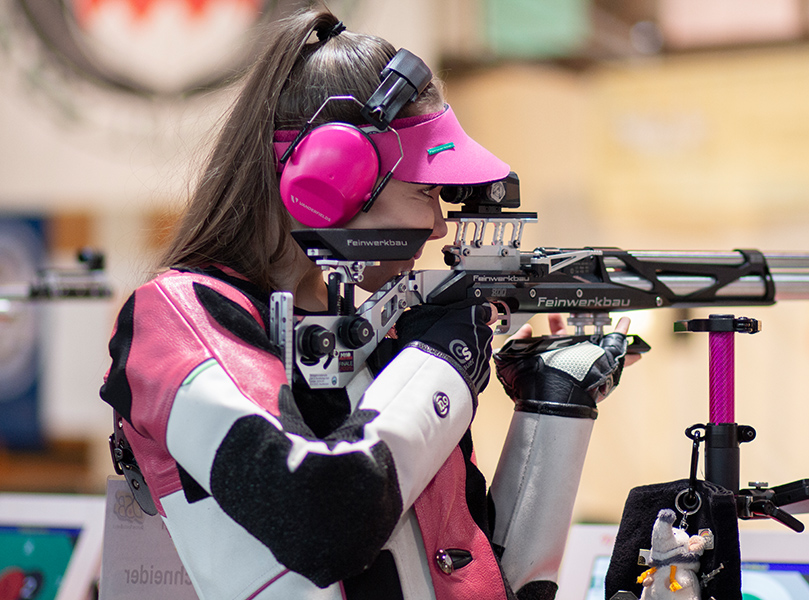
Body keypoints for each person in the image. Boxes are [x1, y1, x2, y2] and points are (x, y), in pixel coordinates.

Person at [100, 6, 634, 600]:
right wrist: (441, 364)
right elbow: (322, 521)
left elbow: (480, 579)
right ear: (334, 178)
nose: (438, 226)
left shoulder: (372, 336)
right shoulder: (176, 319)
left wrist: (554, 405)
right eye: (427, 192)